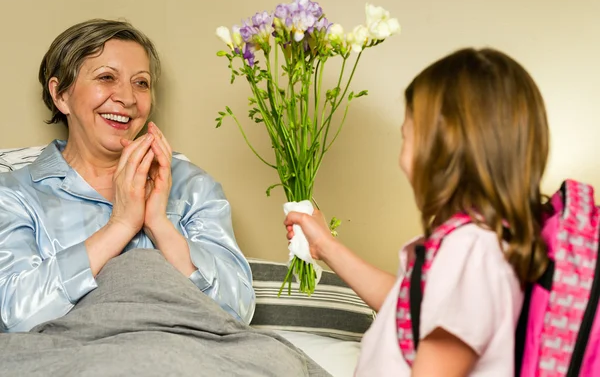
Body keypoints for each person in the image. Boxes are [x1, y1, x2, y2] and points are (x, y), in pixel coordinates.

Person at [285, 48, 550, 376]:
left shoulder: (471, 251)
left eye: (406, 138)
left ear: (443, 149)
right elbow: (409, 306)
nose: (401, 159)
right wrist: (324, 245)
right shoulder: (476, 243)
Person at [0, 19, 255, 333]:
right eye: (107, 77)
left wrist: (159, 223)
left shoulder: (192, 186)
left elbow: (237, 310)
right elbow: (17, 317)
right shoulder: (13, 194)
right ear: (61, 95)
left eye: (141, 83)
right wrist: (121, 225)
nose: (128, 98)